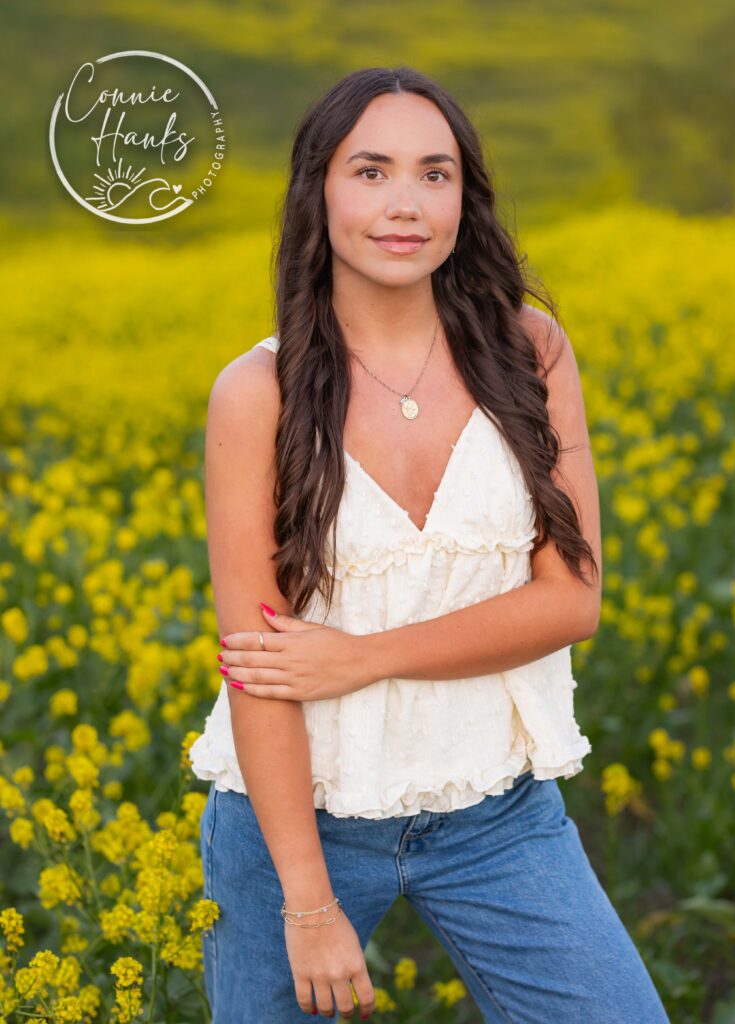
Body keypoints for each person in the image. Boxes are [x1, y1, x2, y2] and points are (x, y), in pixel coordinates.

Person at [189, 65, 671, 1023]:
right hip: (293, 826)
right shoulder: (257, 394)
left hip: (497, 815)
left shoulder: (529, 350)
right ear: (316, 191)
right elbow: (262, 667)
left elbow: (571, 601)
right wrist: (308, 900)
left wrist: (360, 659)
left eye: (434, 173)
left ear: (466, 196)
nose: (404, 205)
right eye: (370, 172)